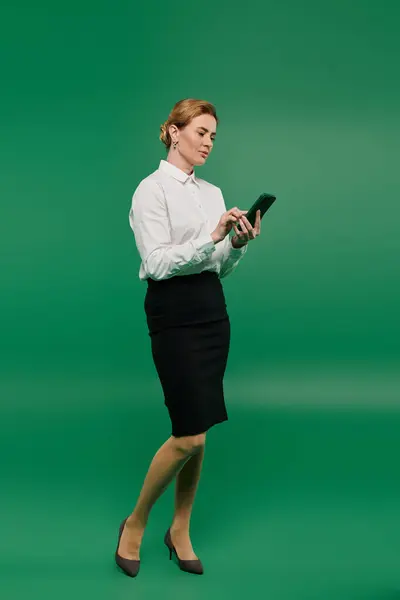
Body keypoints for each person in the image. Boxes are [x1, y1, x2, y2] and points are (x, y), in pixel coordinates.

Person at [115, 98, 262, 578]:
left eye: (213, 136)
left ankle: (180, 528)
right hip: (172, 313)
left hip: (211, 311)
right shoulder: (149, 191)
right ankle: (135, 522)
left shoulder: (213, 193)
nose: (207, 142)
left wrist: (234, 243)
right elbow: (156, 264)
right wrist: (208, 238)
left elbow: (217, 266)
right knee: (188, 434)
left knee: (200, 430)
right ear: (174, 132)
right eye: (200, 132)